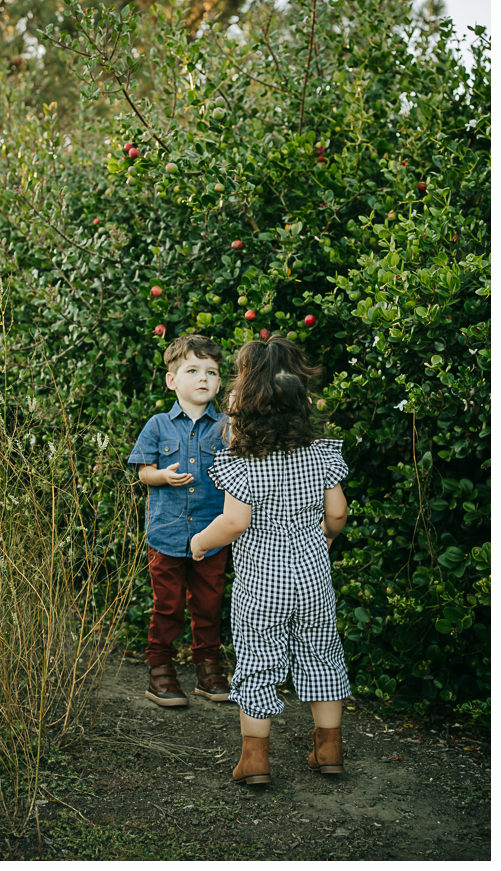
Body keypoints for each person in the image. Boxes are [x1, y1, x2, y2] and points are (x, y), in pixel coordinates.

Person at [190, 334, 350, 783]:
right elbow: (336, 512)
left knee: (258, 663)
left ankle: (256, 761)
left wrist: (201, 543)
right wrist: (324, 537)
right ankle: (329, 752)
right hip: (314, 580)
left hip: (262, 585)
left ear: (245, 405)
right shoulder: (320, 455)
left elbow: (234, 523)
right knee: (322, 657)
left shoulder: (241, 463)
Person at [128, 334, 232, 707]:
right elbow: (143, 472)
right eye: (192, 370)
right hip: (167, 534)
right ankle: (161, 672)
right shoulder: (158, 425)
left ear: (219, 382)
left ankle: (208, 669)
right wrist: (162, 477)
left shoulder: (226, 428)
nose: (203, 378)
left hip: (212, 534)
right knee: (167, 605)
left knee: (208, 605)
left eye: (211, 372)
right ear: (172, 380)